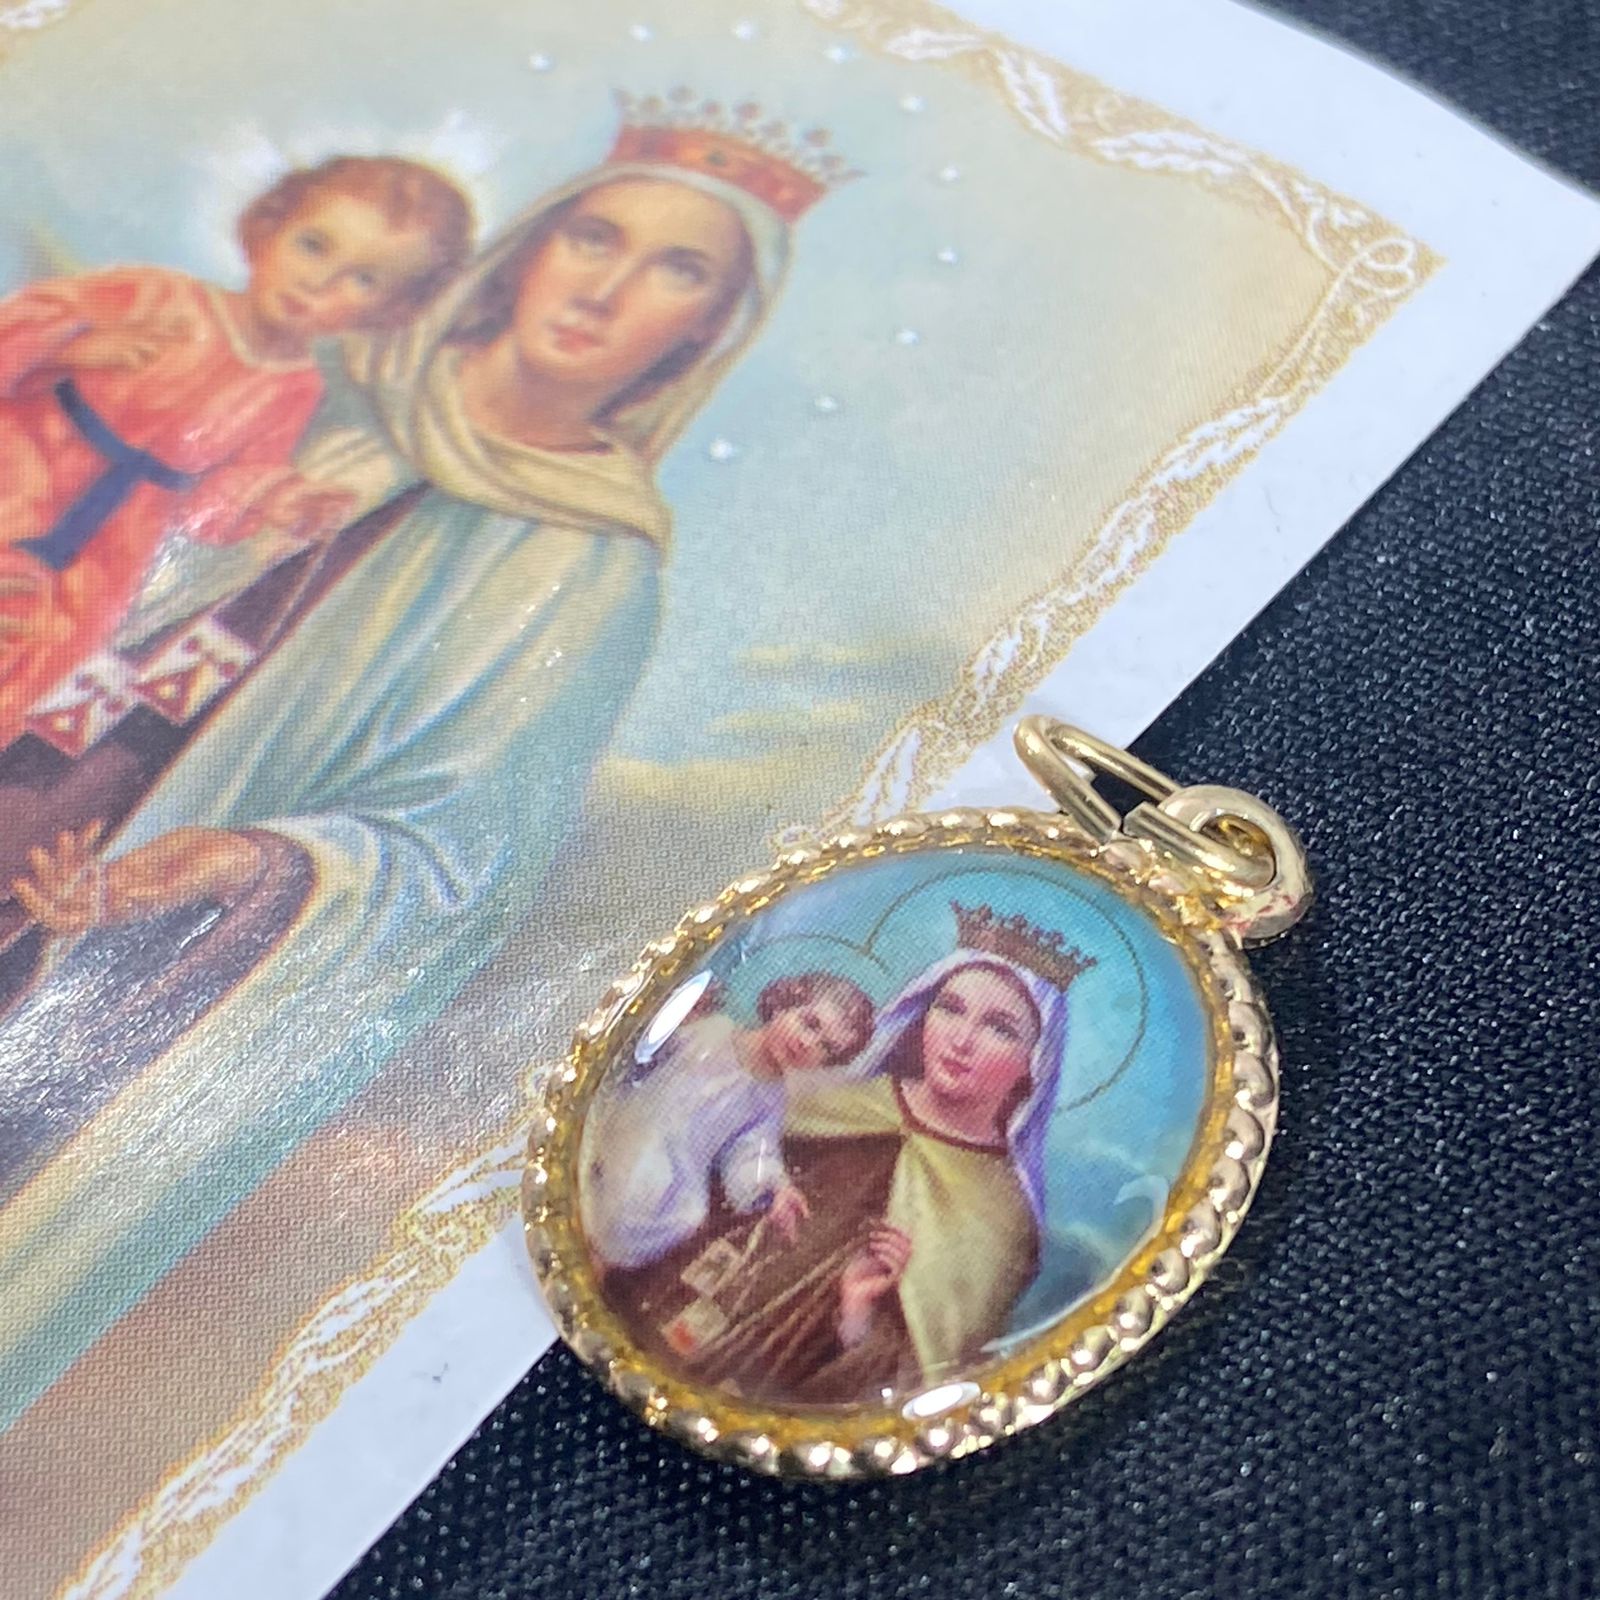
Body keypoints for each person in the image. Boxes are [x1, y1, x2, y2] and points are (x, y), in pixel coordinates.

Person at [0, 112, 829, 1430]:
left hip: (110, 949)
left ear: (702, 336)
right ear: (528, 250)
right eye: (594, 237)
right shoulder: (318, 383)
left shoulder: (586, 569)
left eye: (677, 272)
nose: (607, 288)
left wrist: (250, 857)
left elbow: (456, 871)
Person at [0, 156, 474, 746]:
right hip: (28, 468)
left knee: (44, 658)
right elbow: (15, 329)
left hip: (114, 544)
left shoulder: (294, 388)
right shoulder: (158, 295)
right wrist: (74, 349)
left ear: (387, 312)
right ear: (268, 228)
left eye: (362, 279)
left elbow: (216, 505)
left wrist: (279, 500)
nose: (318, 282)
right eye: (313, 245)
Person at [608, 908, 1092, 1406]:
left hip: (765, 1388)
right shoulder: (820, 1102)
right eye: (949, 1008)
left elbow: (923, 1386)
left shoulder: (1003, 1220)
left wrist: (855, 1314)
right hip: (654, 1309)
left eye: (1000, 1029)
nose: (961, 1039)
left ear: (1034, 1064)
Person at [581, 972, 875, 1273]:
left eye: (826, 1047)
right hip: (642, 1122)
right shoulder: (716, 1031)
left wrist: (776, 1188)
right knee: (643, 1176)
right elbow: (654, 1048)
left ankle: (602, 1260)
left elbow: (752, 1152)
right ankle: (589, 1231)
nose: (806, 1042)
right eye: (809, 1023)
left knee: (689, 1212)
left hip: (683, 1161)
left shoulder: (771, 1100)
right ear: (783, 1004)